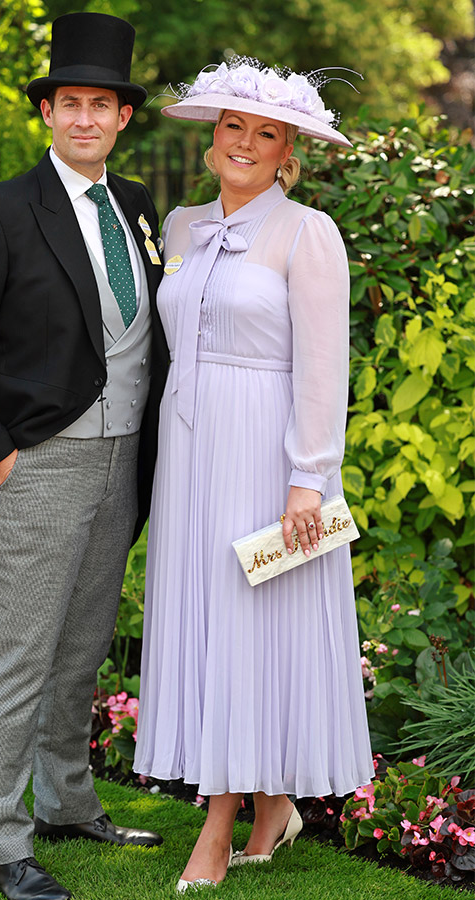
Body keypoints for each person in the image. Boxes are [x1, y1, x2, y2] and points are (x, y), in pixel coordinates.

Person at [0, 13, 168, 900]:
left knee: (81, 648)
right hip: (38, 465)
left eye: (103, 105)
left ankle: (68, 801)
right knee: (19, 654)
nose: (87, 120)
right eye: (71, 103)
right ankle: (3, 844)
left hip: (122, 462)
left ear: (124, 117)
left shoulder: (137, 207)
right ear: (48, 112)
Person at [133, 58, 373, 892]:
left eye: (264, 133)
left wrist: (309, 477)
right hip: (191, 454)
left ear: (286, 155)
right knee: (210, 622)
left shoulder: (308, 234)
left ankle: (220, 820)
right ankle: (275, 809)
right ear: (212, 140)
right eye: (232, 126)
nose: (244, 142)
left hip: (270, 457)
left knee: (250, 624)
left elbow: (321, 366)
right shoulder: (181, 227)